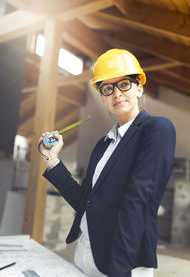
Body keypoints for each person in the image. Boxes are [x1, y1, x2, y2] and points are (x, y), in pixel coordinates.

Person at [39, 49, 176, 277]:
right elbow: (85, 202)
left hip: (122, 262)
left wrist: (119, 270)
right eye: (107, 88)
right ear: (102, 98)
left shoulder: (157, 130)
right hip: (85, 253)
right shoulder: (103, 145)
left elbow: (137, 204)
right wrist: (51, 159)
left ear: (139, 88)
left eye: (124, 84)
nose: (116, 93)